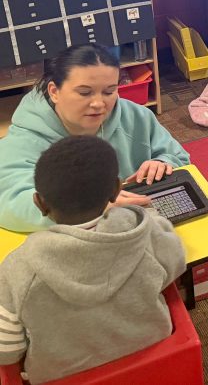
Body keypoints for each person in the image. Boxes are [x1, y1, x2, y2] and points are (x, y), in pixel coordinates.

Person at [0, 135, 185, 383]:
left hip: (63, 376)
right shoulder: (146, 232)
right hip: (157, 361)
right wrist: (150, 215)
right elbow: (176, 264)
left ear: (40, 203)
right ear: (116, 190)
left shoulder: (16, 269)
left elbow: (7, 351)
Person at [0, 44, 190, 233]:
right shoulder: (25, 139)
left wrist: (162, 163)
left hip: (136, 227)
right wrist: (87, 211)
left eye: (109, 91)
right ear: (54, 92)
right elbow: (9, 203)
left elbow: (179, 158)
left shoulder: (137, 116)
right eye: (84, 93)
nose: (99, 103)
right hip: (72, 238)